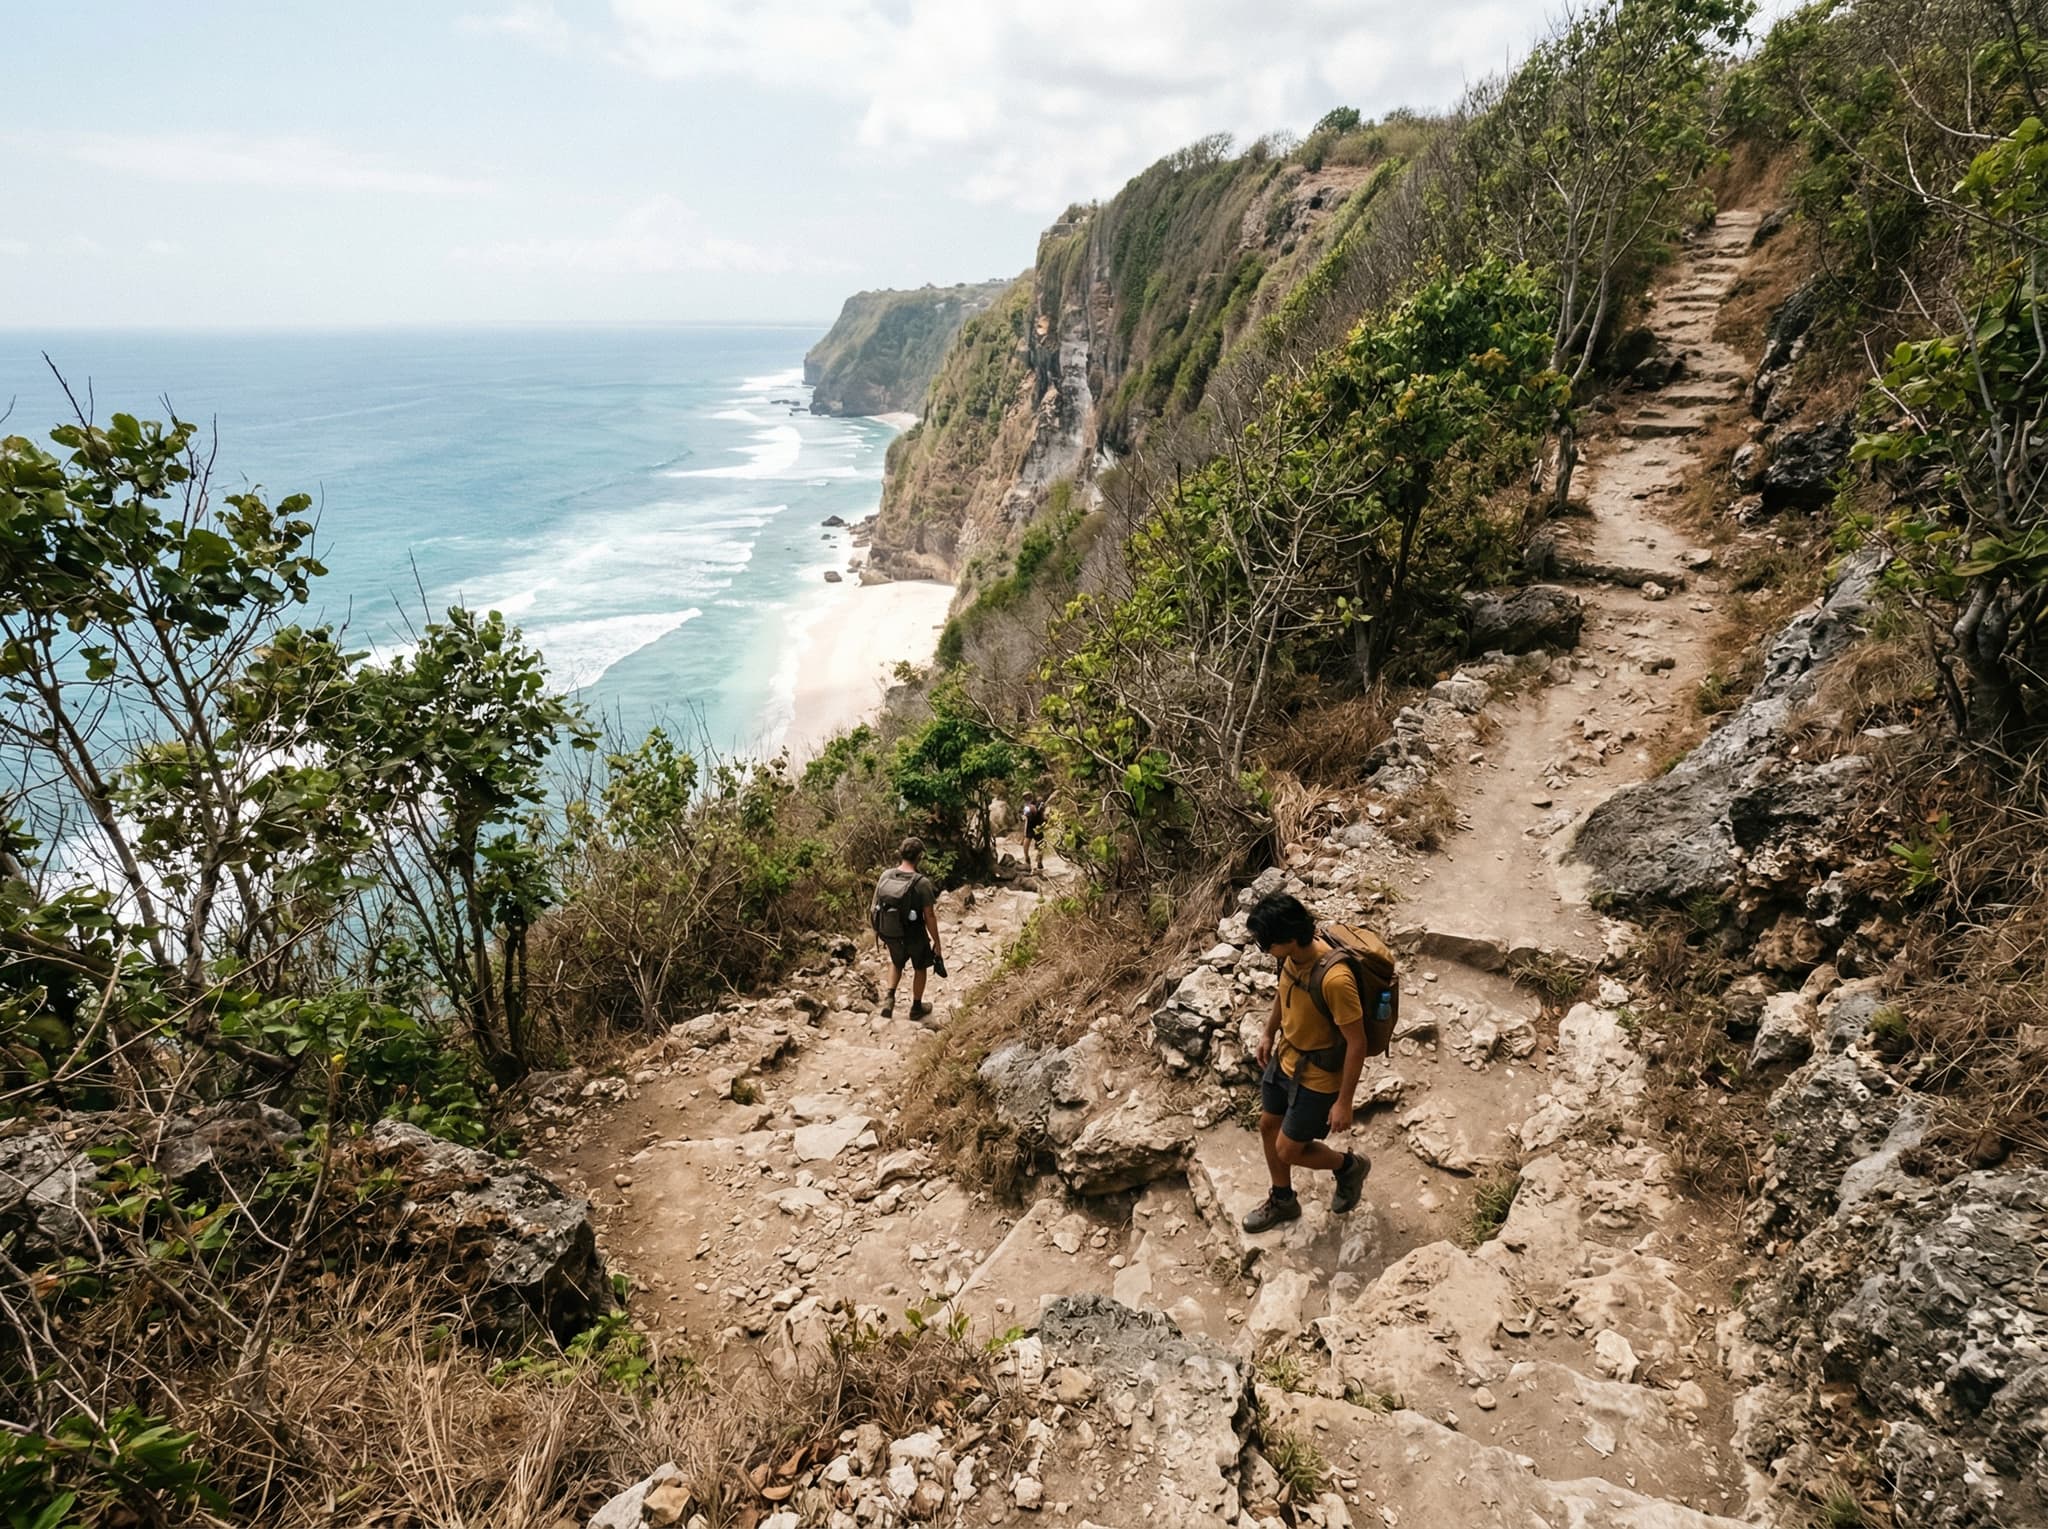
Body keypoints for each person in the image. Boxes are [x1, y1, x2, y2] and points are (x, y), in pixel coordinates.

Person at [1242, 891, 1373, 1231]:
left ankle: (1348, 1166)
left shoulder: (1335, 979)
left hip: (1317, 1077)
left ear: (1287, 939)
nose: (1263, 950)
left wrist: (1344, 1102)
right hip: (1285, 1057)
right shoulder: (1290, 958)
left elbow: (1357, 1043)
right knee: (1268, 1127)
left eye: (1265, 943)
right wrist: (1269, 1033)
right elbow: (1282, 995)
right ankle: (1282, 1199)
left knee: (1288, 1150)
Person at [871, 837, 945, 1022]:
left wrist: (879, 930)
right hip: (914, 934)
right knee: (920, 967)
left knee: (896, 962)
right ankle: (916, 1007)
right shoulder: (922, 883)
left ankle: (889, 998)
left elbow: (874, 905)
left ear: (901, 853)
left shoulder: (886, 875)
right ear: (920, 856)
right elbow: (929, 916)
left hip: (891, 932)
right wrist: (936, 941)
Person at [1019, 794, 1046, 872]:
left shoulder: (1033, 804)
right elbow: (1025, 815)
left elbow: (1027, 815)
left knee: (1036, 842)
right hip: (1034, 825)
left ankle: (1034, 860)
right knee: (1035, 842)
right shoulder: (1028, 806)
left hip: (1035, 825)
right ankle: (1031, 859)